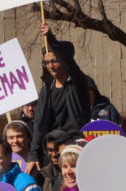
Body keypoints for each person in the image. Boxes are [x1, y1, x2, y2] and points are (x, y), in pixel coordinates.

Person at [27, 23, 91, 169]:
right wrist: (33, 154)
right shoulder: (46, 91)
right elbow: (38, 124)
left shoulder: (78, 83)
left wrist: (50, 38)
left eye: (55, 60)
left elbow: (70, 63)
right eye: (47, 62)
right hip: (51, 153)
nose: (51, 66)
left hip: (73, 150)